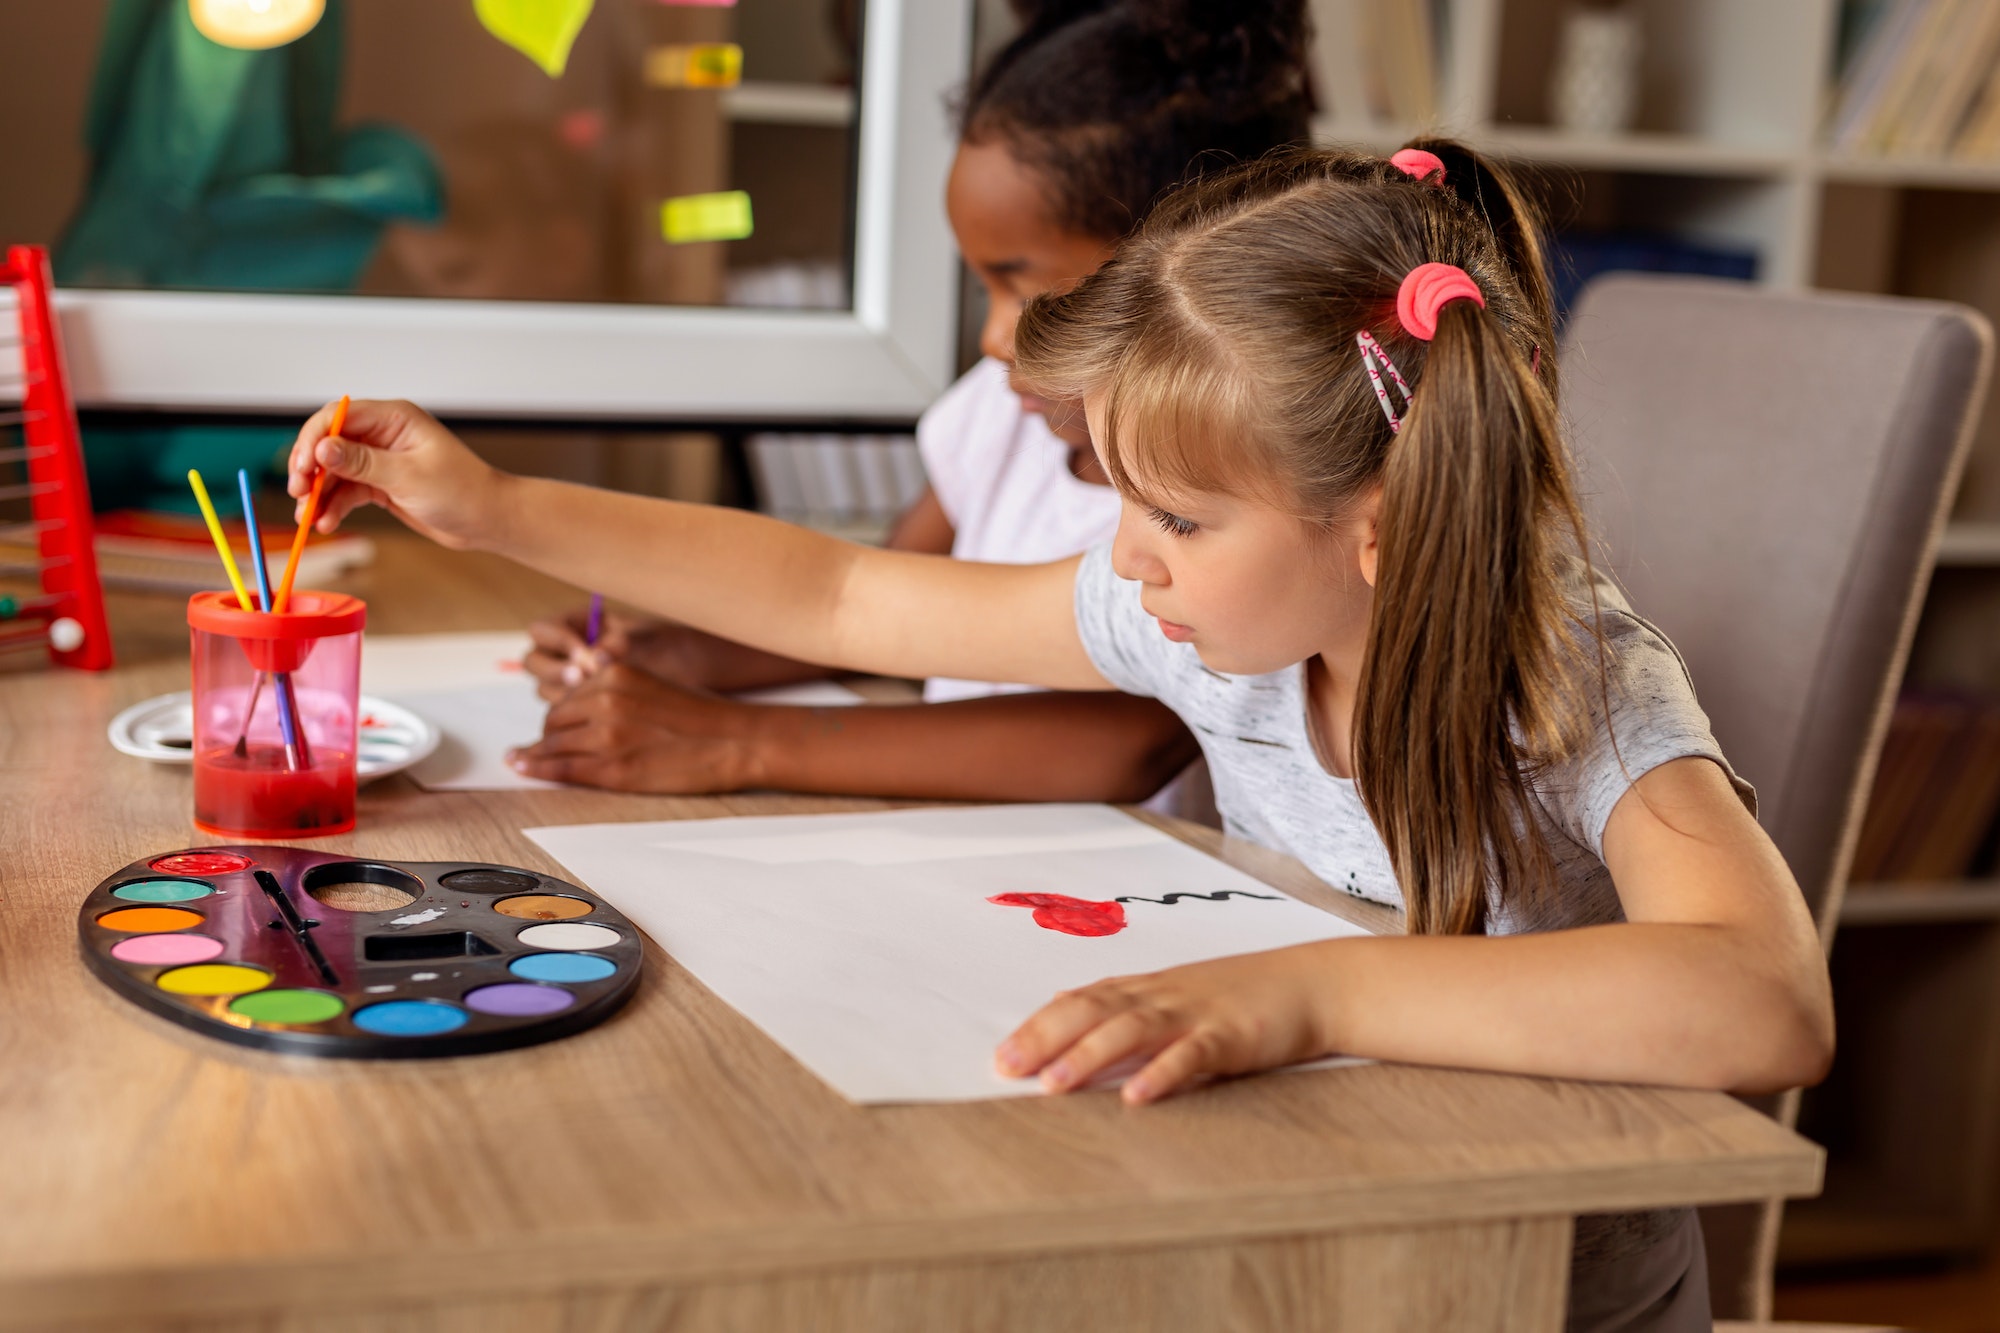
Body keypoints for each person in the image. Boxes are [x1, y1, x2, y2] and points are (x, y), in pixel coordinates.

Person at [289, 143, 1834, 1331]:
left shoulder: (1564, 673)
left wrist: (1304, 989)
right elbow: (839, 592)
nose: (1128, 556)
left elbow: (1764, 997)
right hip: (1303, 1220)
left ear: (1383, 522)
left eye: (1170, 512)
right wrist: (493, 510)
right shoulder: (1225, 616)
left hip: (1509, 1281)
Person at [506, 0, 1311, 801]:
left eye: (1023, 283)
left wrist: (732, 741)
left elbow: (1127, 743)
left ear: (1180, 283)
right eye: (982, 283)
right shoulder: (1002, 417)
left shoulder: (1236, 494)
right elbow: (866, 598)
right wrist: (688, 657)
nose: (996, 338)